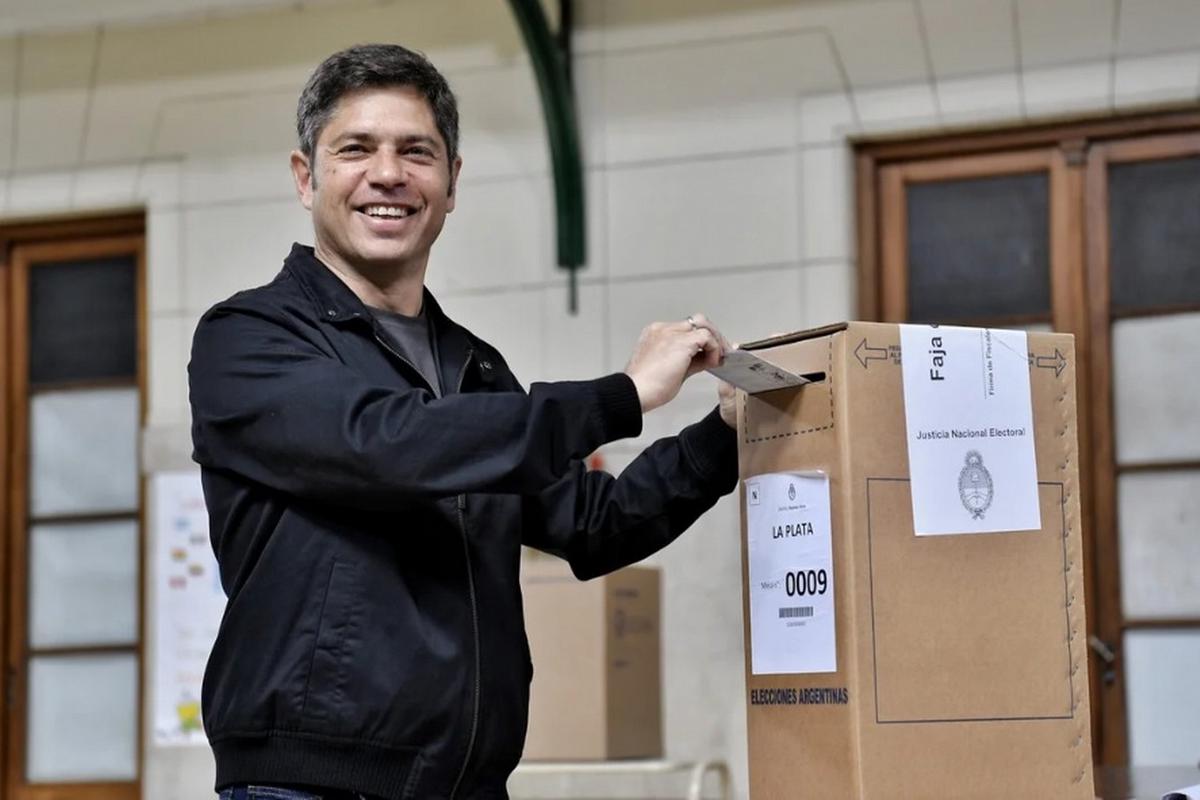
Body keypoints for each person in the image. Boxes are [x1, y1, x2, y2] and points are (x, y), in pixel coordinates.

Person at [189, 43, 738, 800]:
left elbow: (591, 522)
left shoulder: (473, 368)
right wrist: (621, 394)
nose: (389, 174)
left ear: (450, 186)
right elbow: (389, 444)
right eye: (356, 149)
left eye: (418, 152)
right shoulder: (249, 338)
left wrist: (730, 431)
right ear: (305, 177)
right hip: (308, 789)